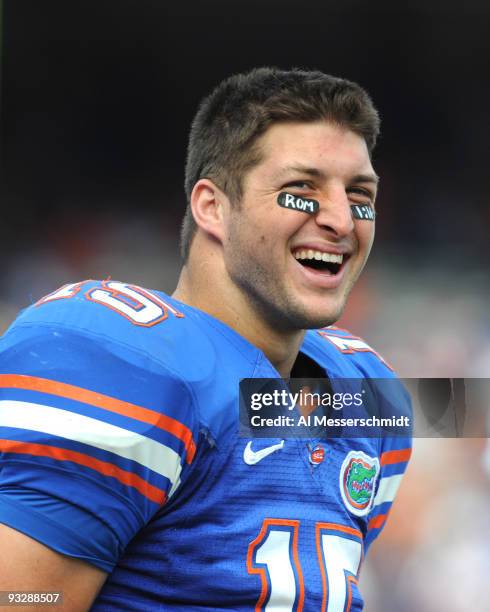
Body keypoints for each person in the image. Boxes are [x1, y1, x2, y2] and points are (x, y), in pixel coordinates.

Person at [0, 67, 411, 611]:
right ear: (212, 207)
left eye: (359, 194)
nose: (341, 219)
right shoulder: (123, 361)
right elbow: (21, 599)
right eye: (300, 190)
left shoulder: (368, 395)